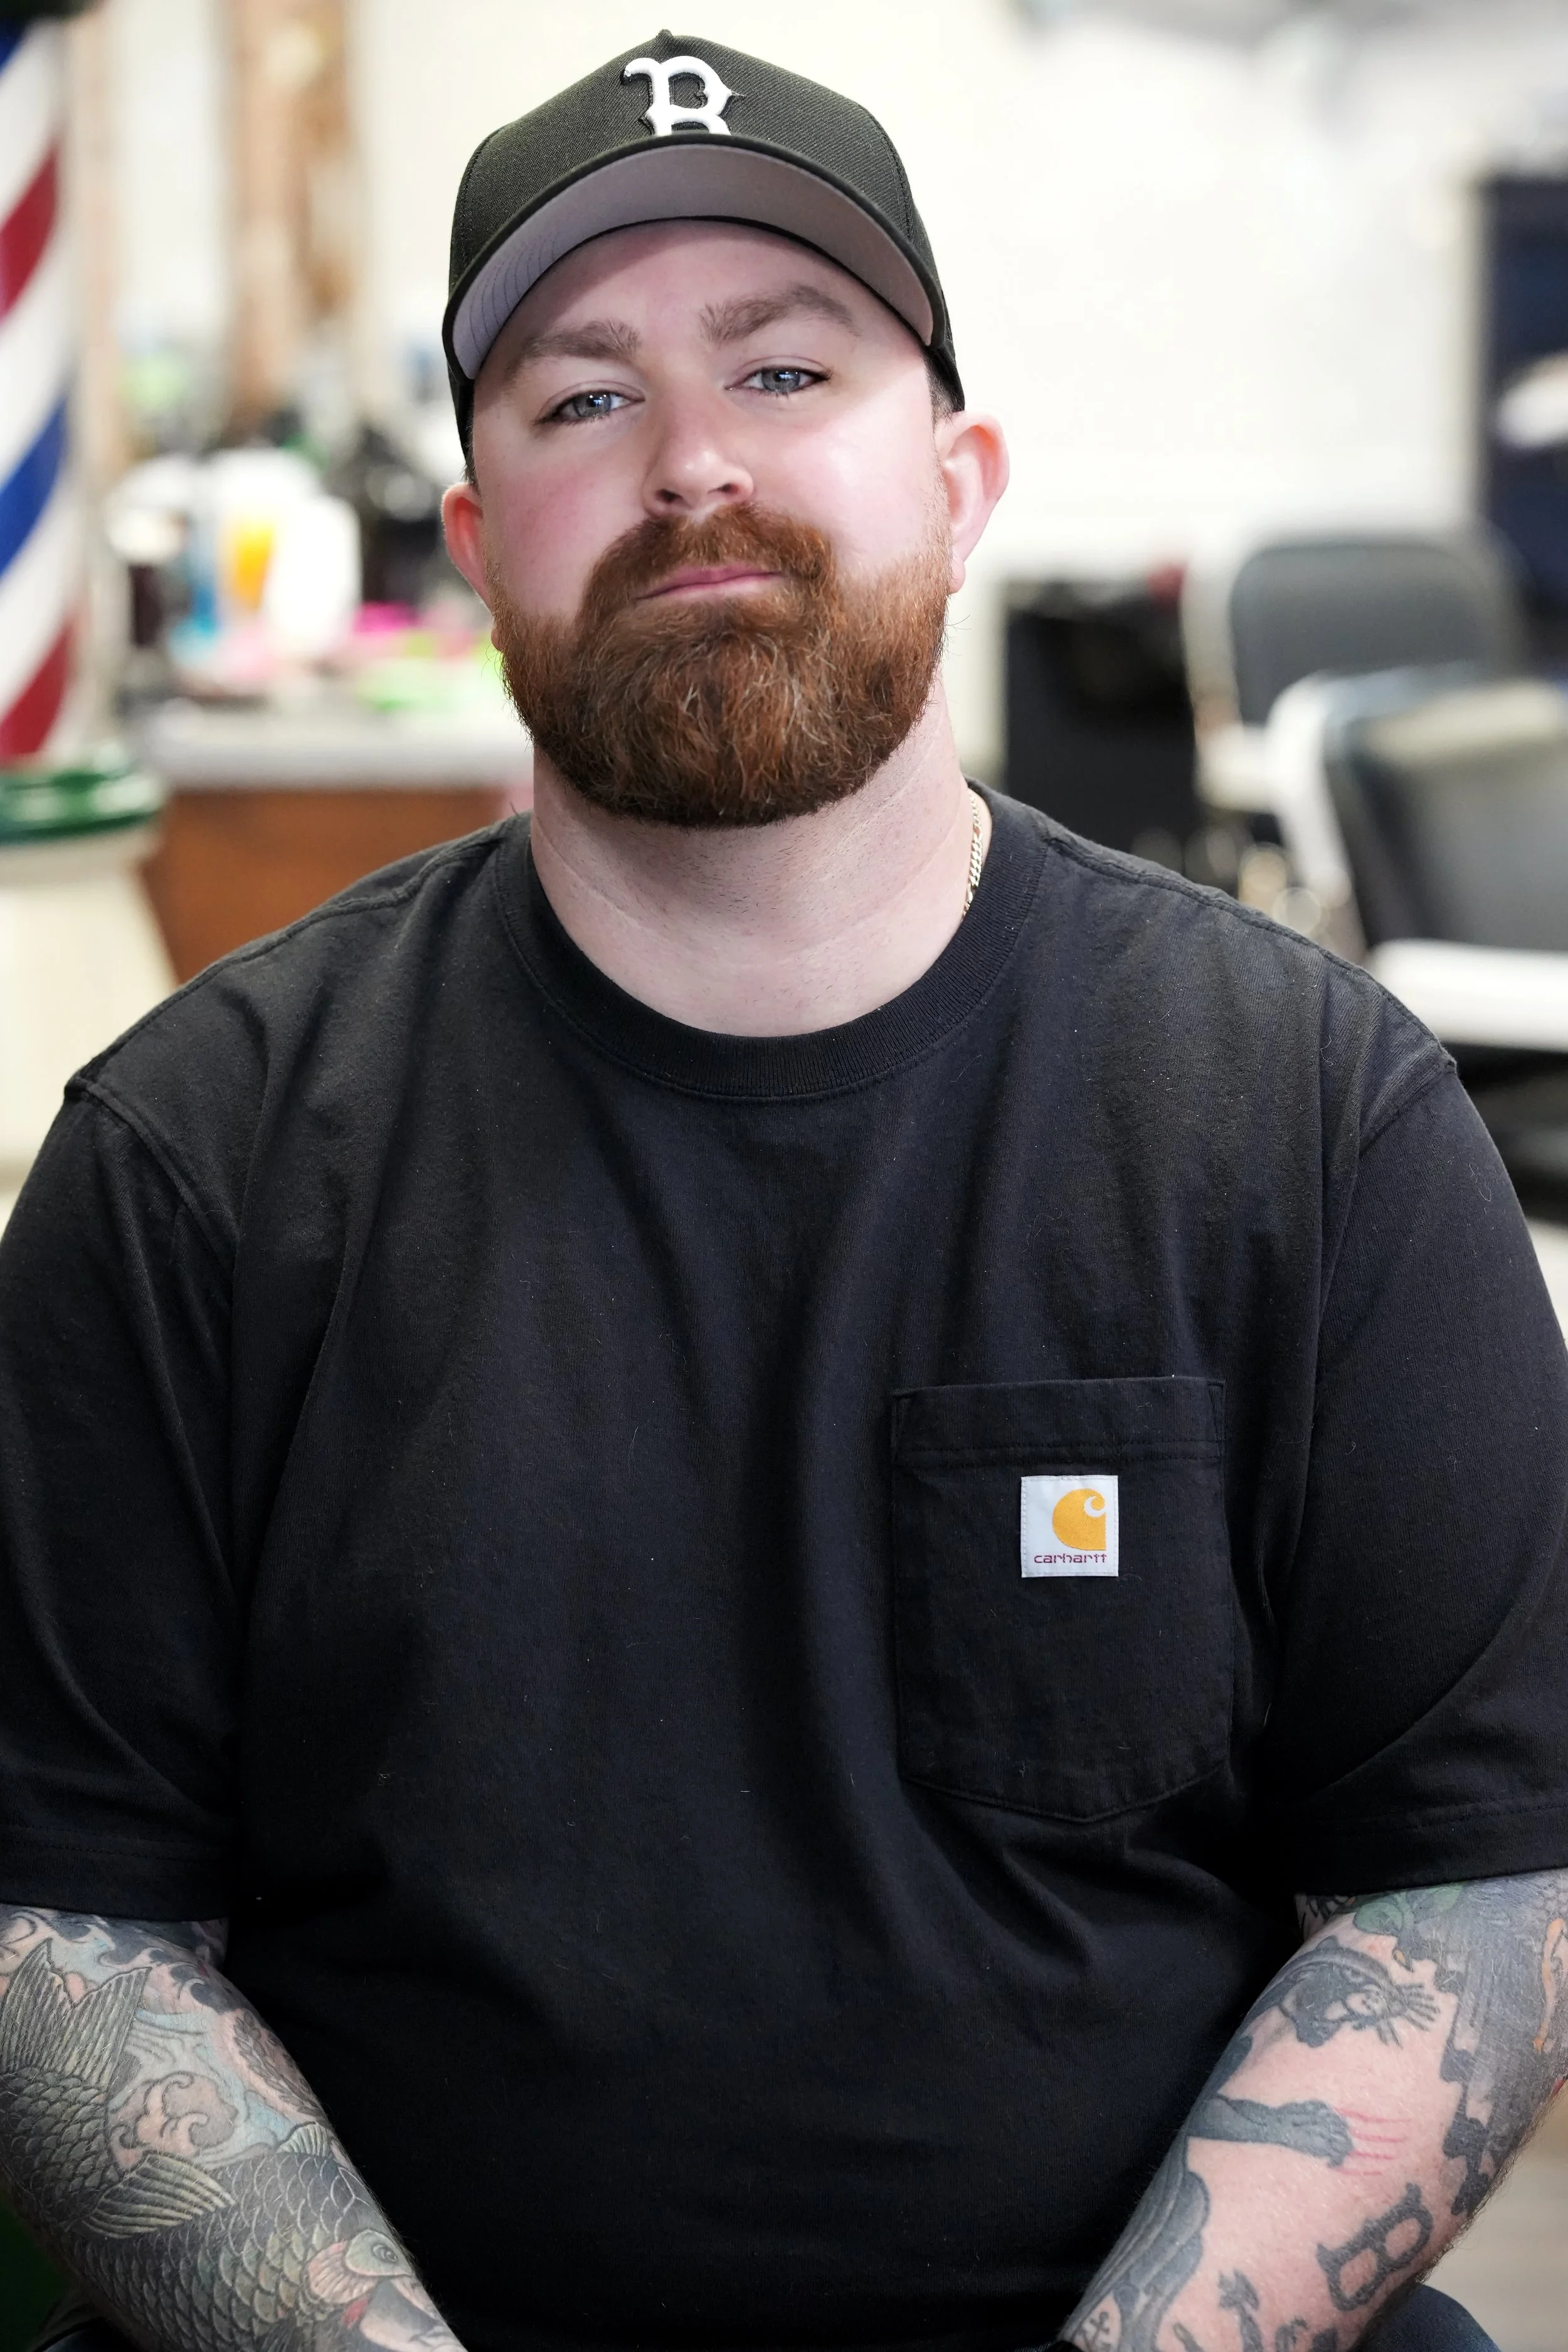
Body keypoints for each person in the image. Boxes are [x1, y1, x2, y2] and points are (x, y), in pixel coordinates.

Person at [0, 30, 1564, 2352]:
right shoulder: (193, 1165)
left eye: (785, 365)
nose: (692, 463)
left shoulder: (1309, 1127)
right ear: (475, 547)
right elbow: (68, 1914)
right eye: (580, 397)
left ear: (957, 479)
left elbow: (1466, 1880)